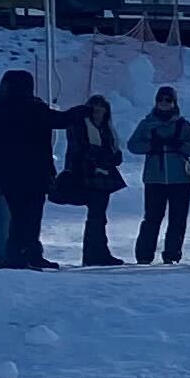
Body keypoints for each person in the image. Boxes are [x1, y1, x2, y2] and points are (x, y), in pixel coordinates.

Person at [0, 68, 73, 269]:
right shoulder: (33, 108)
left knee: (19, 216)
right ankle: (22, 256)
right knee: (29, 217)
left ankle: (23, 255)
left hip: (7, 174)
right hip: (35, 172)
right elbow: (61, 120)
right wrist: (82, 111)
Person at [126, 84, 190, 265]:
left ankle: (172, 255)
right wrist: (152, 146)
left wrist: (181, 146)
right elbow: (132, 145)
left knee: (178, 219)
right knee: (152, 218)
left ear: (174, 102)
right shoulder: (147, 124)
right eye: (160, 100)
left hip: (182, 179)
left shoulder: (184, 125)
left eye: (168, 100)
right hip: (155, 178)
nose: (164, 103)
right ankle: (144, 256)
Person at [56, 92, 128, 266]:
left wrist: (108, 156)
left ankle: (99, 252)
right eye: (95, 110)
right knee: (96, 216)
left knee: (99, 216)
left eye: (101, 110)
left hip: (103, 176)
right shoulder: (79, 127)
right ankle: (93, 254)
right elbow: (82, 150)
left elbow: (114, 154)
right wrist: (104, 156)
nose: (98, 114)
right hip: (85, 175)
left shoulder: (107, 129)